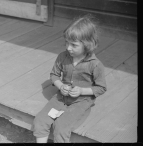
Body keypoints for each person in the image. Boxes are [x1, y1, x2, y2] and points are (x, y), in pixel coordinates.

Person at [33, 14, 107, 143]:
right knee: (40, 121)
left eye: (73, 45)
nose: (68, 48)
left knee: (61, 127)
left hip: (81, 102)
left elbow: (101, 88)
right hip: (61, 98)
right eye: (66, 43)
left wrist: (82, 91)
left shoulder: (95, 64)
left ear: (88, 44)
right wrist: (61, 86)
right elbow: (54, 75)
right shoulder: (63, 56)